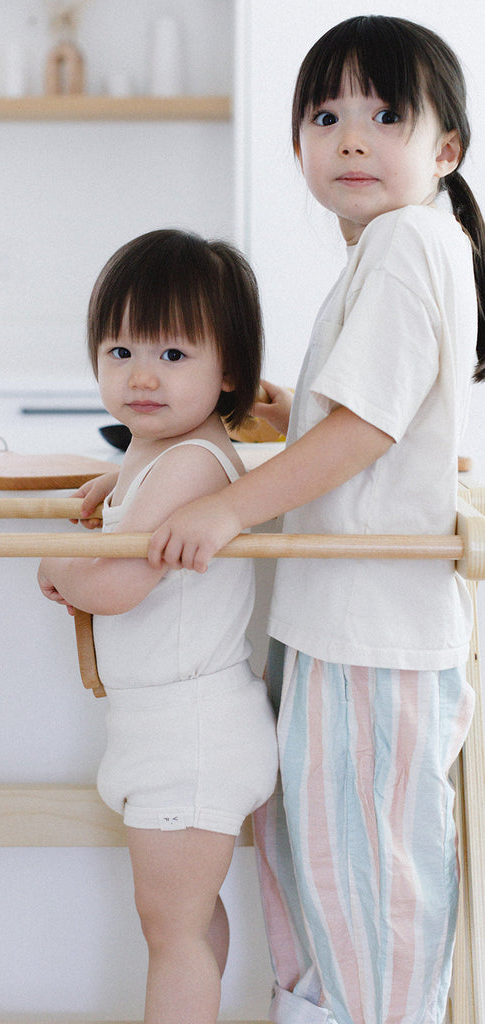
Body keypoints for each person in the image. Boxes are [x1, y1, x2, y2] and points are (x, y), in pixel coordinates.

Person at [118, 15, 482, 1024]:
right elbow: (369, 418)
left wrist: (230, 505)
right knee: (321, 866)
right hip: (342, 625)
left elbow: (365, 430)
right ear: (297, 146)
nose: (351, 137)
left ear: (442, 148)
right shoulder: (394, 249)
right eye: (326, 115)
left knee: (360, 877)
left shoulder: (407, 241)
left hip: (369, 633)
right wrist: (285, 412)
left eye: (382, 114)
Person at [37, 228, 278, 1024]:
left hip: (190, 730)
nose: (142, 375)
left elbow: (115, 586)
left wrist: (61, 563)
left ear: (229, 370)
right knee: (184, 921)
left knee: (169, 928)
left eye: (173, 355)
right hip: (170, 727)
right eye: (119, 350)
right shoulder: (158, 455)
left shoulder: (189, 464)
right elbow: (142, 496)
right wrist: (116, 481)